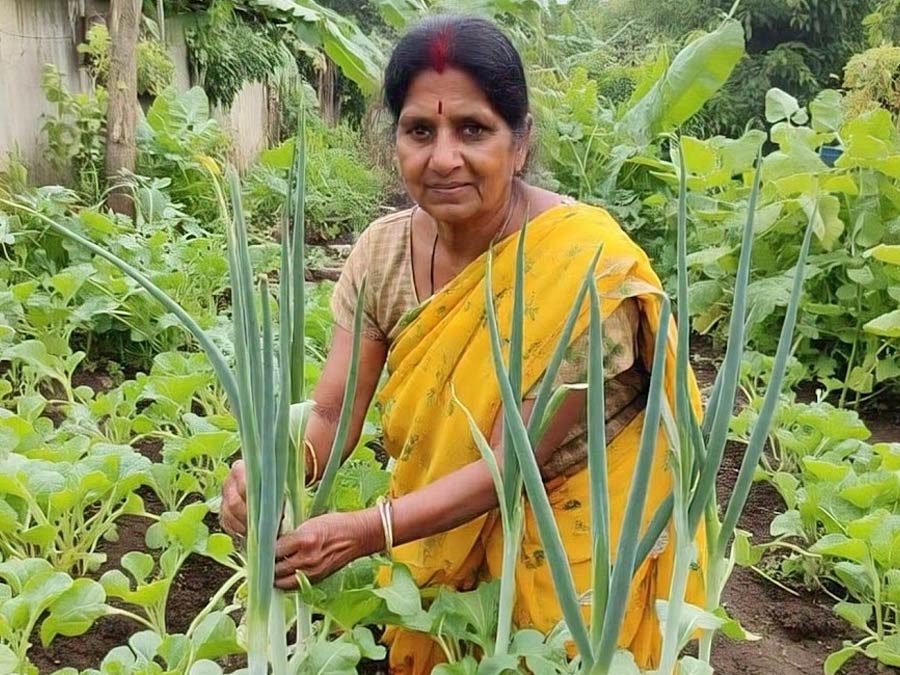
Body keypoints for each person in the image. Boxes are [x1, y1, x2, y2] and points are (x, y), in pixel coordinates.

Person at [219, 14, 705, 673]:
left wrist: (367, 529)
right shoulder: (383, 255)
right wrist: (274, 468)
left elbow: (510, 462)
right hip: (440, 515)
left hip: (576, 525)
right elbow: (332, 414)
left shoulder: (583, 267)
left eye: (472, 129)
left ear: (520, 142)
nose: (443, 158)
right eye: (420, 130)